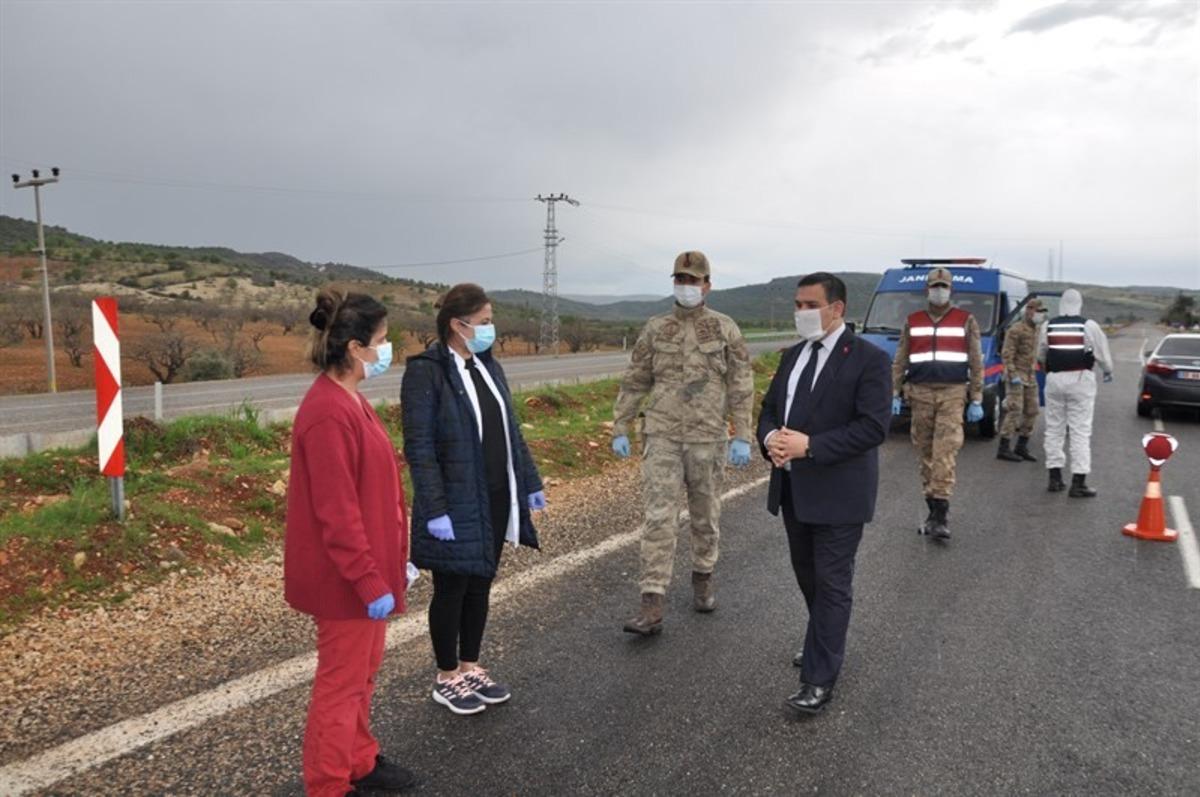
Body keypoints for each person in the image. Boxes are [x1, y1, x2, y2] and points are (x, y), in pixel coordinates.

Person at [284, 289, 418, 796]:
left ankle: (358, 759)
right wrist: (367, 577)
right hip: (346, 582)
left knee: (363, 675)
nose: (388, 349)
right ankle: (328, 784)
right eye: (382, 340)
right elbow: (337, 513)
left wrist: (394, 561)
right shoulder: (327, 413)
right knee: (340, 685)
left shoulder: (351, 400)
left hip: (370, 574)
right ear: (356, 348)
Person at [401, 283, 546, 715]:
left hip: (496, 494)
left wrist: (530, 481)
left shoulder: (487, 366)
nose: (489, 329)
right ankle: (447, 676)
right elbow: (420, 447)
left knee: (481, 581)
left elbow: (510, 431)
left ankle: (470, 666)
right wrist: (435, 508)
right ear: (457, 324)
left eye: (490, 321)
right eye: (483, 322)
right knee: (452, 587)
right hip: (456, 500)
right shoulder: (426, 372)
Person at [757, 273, 892, 714]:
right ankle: (823, 640)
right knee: (808, 577)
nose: (801, 313)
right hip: (794, 490)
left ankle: (818, 678)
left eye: (810, 305)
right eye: (797, 305)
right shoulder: (793, 355)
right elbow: (770, 410)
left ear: (837, 309)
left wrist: (810, 446)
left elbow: (873, 428)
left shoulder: (869, 360)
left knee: (832, 583)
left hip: (840, 494)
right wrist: (771, 439)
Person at [611, 250, 755, 635]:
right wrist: (621, 425)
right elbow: (636, 379)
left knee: (705, 515)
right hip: (662, 435)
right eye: (680, 279)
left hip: (708, 437)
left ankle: (703, 577)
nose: (686, 286)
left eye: (693, 280)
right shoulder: (656, 328)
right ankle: (652, 602)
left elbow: (741, 385)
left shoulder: (725, 329)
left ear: (707, 285)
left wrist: (742, 434)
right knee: (659, 517)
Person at [891, 267, 984, 540]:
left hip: (952, 394)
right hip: (919, 394)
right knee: (925, 455)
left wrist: (976, 398)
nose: (939, 291)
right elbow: (900, 358)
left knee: (944, 452)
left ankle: (941, 515)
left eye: (944, 286)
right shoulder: (913, 321)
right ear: (927, 290)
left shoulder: (965, 320)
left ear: (951, 290)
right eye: (935, 286)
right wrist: (894, 392)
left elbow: (976, 361)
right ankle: (932, 509)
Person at [1039, 288, 1113, 496]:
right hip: (1080, 379)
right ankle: (1078, 483)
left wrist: (1049, 368)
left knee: (1054, 429)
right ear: (1079, 304)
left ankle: (1054, 479)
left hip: (1054, 379)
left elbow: (1041, 354)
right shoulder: (1088, 325)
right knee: (1080, 431)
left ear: (1061, 304)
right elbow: (1102, 355)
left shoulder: (1048, 325)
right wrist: (1108, 371)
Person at [996, 299, 1045, 463]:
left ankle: (1021, 446)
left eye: (1042, 312)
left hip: (1030, 375)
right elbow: (1007, 354)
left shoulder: (1037, 329)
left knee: (1032, 411)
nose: (1040, 315)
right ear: (1029, 310)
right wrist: (1012, 374)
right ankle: (1004, 448)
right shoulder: (1016, 329)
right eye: (1038, 311)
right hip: (1016, 374)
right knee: (1015, 410)